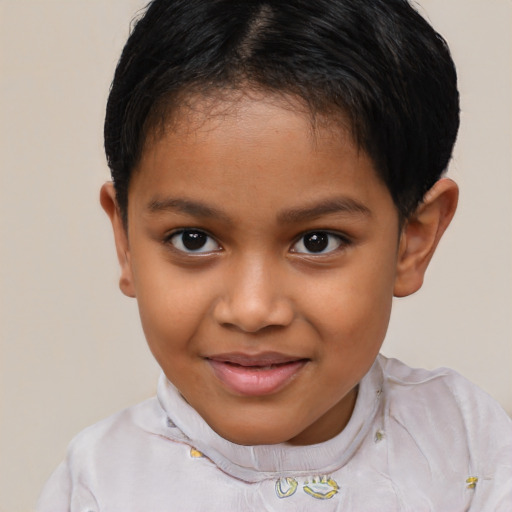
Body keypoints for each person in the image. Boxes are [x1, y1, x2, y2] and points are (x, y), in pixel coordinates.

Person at [37, 0, 512, 510]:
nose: (253, 309)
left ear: (412, 241)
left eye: (317, 241)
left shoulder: (465, 445)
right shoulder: (100, 484)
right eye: (192, 239)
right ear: (126, 240)